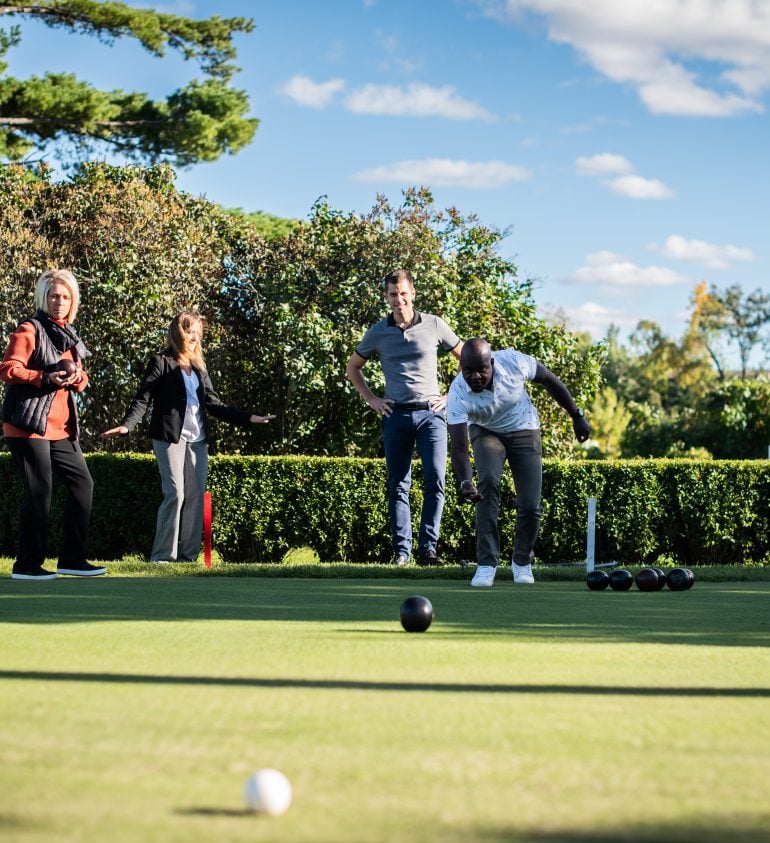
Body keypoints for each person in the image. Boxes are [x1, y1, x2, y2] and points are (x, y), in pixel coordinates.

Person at [101, 310, 274, 563]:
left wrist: (248, 418)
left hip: (198, 439)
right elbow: (143, 399)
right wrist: (127, 426)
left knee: (195, 496)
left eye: (197, 333)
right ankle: (162, 556)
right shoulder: (161, 361)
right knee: (175, 493)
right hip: (169, 436)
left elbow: (214, 404)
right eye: (189, 331)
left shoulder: (199, 368)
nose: (194, 337)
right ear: (178, 332)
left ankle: (188, 557)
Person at [446, 337, 591, 588]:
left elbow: (549, 379)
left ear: (491, 363)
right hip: (486, 431)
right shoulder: (458, 392)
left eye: (482, 369)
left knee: (530, 503)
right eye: (468, 370)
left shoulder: (513, 362)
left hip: (524, 428)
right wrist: (465, 480)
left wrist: (576, 415)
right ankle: (486, 564)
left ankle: (522, 562)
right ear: (462, 368)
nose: (476, 376)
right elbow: (459, 446)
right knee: (487, 484)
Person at [346, 268, 463, 566]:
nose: (399, 300)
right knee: (398, 484)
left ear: (412, 293)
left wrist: (451, 396)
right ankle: (402, 552)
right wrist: (372, 399)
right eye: (393, 295)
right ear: (386, 297)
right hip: (395, 415)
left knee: (435, 479)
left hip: (431, 415)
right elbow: (353, 367)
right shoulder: (377, 332)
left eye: (403, 293)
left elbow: (468, 358)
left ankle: (428, 550)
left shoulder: (434, 324)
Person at [1, 269, 106, 580]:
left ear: (72, 301)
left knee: (82, 484)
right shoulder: (29, 329)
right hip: (27, 425)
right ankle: (27, 565)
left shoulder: (69, 335)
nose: (59, 301)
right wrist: (43, 377)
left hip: (60, 428)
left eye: (65, 296)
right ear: (43, 298)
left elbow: (83, 377)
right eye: (53, 296)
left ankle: (72, 560)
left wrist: (77, 378)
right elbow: (8, 368)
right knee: (39, 490)